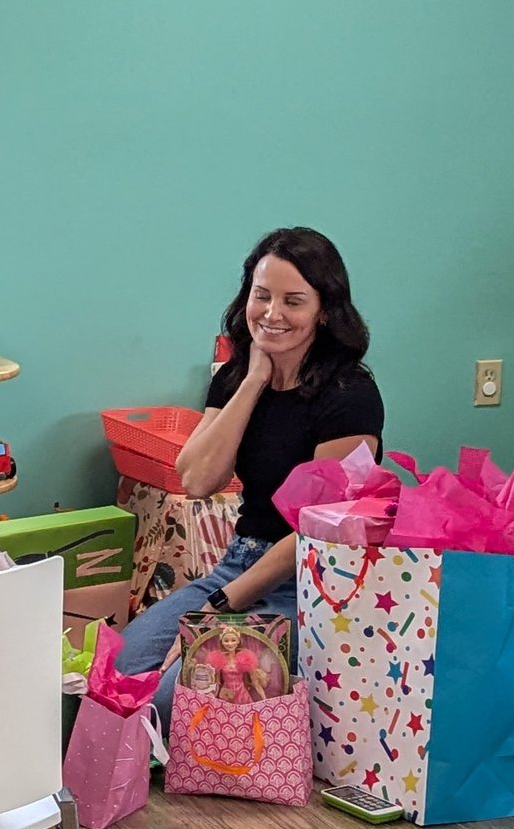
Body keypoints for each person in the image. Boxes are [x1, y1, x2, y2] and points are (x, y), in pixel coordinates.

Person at [119, 228, 383, 719]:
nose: (272, 313)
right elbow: (197, 480)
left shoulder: (352, 397)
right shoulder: (237, 376)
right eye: (262, 296)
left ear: (324, 310)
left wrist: (219, 607)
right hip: (237, 562)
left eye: (293, 301)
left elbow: (317, 529)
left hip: (309, 583)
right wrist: (256, 379)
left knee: (164, 704)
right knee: (116, 676)